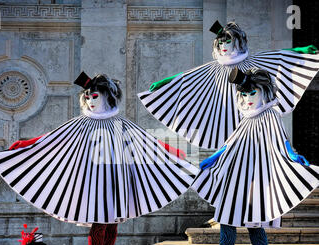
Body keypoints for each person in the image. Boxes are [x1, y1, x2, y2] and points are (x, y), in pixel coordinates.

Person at [0, 72, 199, 245]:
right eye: (87, 97)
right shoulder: (82, 123)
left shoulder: (120, 123)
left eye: (94, 96)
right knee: (99, 223)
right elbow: (53, 138)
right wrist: (27, 144)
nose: (90, 101)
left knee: (112, 225)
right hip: (94, 182)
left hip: (117, 180)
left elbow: (146, 140)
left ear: (107, 96)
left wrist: (172, 150)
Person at [191, 67, 319, 245]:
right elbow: (231, 143)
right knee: (228, 220)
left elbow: (282, 141)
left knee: (251, 224)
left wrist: (293, 156)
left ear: (263, 92)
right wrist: (213, 158)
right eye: (244, 94)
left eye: (253, 93)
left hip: (255, 179)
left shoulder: (270, 114)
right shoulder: (246, 118)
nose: (248, 98)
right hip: (236, 176)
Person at [137, 20, 319, 150]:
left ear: (237, 42)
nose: (224, 45)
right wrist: (165, 83)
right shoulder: (211, 69)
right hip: (223, 107)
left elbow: (278, 57)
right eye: (221, 42)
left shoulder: (255, 63)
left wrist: (301, 52)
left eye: (228, 41)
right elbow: (186, 78)